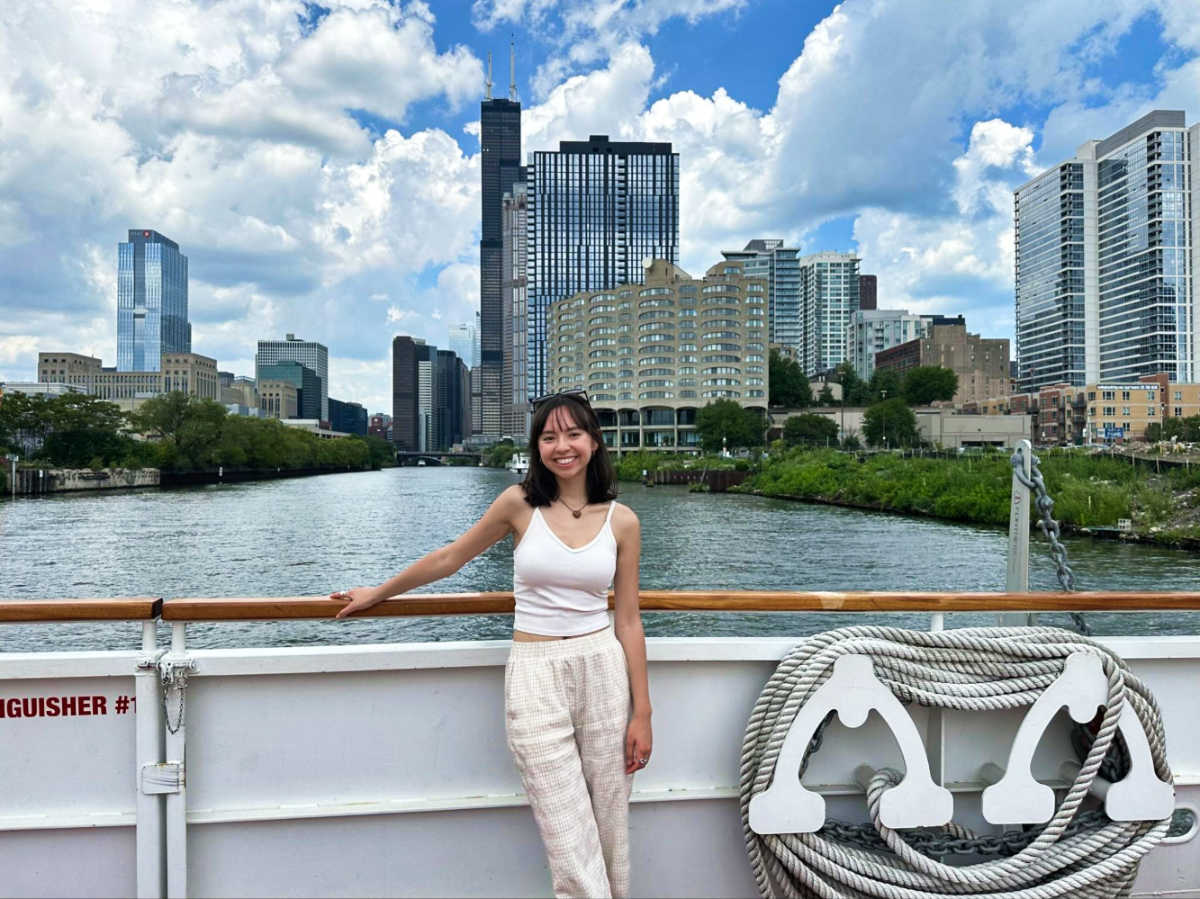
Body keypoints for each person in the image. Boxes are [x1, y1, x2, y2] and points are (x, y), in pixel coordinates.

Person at [331, 390, 652, 899]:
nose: (561, 446)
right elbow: (451, 557)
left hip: (602, 669)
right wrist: (380, 591)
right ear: (537, 446)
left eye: (573, 434)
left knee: (611, 823)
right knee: (567, 835)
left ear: (594, 441)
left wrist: (643, 714)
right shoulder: (518, 504)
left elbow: (629, 620)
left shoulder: (623, 521)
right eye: (549, 437)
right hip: (535, 672)